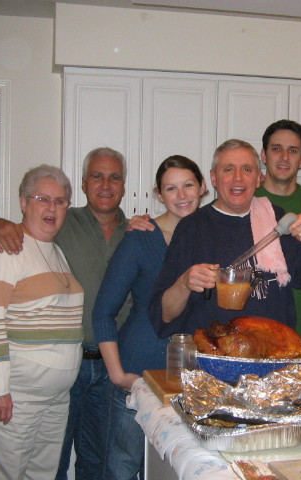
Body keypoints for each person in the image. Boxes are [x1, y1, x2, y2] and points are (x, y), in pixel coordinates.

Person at [0, 147, 149, 479]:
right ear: (84, 184)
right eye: (97, 176)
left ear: (124, 185)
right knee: (51, 458)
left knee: (96, 458)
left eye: (114, 177)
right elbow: (14, 235)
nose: (105, 185)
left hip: (113, 365)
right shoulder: (60, 220)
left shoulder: (138, 232)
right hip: (66, 363)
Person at [92, 155, 207, 479]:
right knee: (123, 467)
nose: (181, 195)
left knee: (173, 470)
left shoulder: (213, 237)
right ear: (158, 194)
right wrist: (117, 374)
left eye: (188, 185)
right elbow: (103, 311)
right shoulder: (140, 238)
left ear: (203, 187)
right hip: (138, 373)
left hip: (192, 381)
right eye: (171, 188)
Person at [0, 165, 84, 479]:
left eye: (60, 201)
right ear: (23, 202)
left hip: (53, 397)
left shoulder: (55, 252)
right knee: (2, 473)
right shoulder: (4, 251)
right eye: (42, 199)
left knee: (41, 474)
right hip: (14, 396)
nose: (52, 208)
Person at [150, 139, 301, 337]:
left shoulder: (277, 220)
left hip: (272, 348)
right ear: (214, 178)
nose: (238, 178)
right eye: (228, 169)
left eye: (247, 169)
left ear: (258, 178)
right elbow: (164, 315)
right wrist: (184, 283)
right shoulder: (191, 228)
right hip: (213, 350)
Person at [255, 119, 301, 342]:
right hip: (256, 327)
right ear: (264, 155)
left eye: (293, 151)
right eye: (276, 149)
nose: (284, 157)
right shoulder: (248, 201)